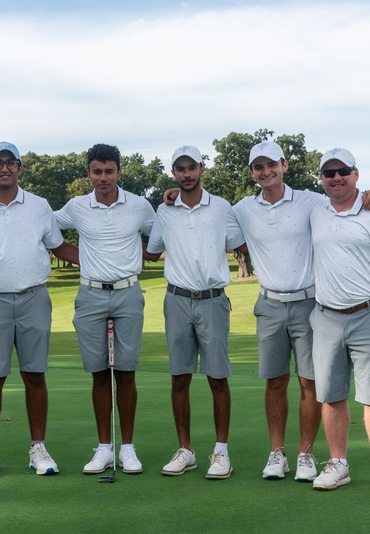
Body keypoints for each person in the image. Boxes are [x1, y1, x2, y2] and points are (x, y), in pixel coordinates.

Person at [233, 141, 370, 482]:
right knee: (274, 382)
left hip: (310, 303)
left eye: (271, 164)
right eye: (258, 167)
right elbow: (210, 216)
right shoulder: (242, 208)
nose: (266, 172)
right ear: (252, 172)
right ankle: (277, 453)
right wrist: (172, 194)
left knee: (310, 382)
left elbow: (345, 196)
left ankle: (305, 454)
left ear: (284, 165)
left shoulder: (312, 201)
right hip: (269, 304)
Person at [0, 142, 79, 479]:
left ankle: (38, 448)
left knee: (34, 374)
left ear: (20, 168)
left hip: (33, 298)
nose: (4, 168)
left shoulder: (39, 206)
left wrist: (107, 262)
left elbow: (59, 247)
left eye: (11, 162)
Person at [308, 147, 370, 499]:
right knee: (331, 396)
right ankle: (338, 464)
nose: (336, 178)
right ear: (321, 178)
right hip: (326, 316)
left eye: (343, 171)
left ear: (356, 174)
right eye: (329, 173)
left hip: (369, 313)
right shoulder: (315, 210)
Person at [54, 143, 155, 475]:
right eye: (97, 172)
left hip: (128, 293)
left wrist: (129, 253)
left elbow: (158, 241)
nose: (103, 178)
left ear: (119, 173)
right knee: (99, 372)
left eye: (109, 171)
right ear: (88, 174)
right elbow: (46, 230)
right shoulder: (76, 207)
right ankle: (104, 448)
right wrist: (83, 259)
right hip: (90, 294)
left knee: (126, 372)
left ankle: (127, 448)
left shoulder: (139, 205)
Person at [146, 145, 245, 479]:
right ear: (173, 173)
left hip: (213, 300)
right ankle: (185, 450)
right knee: (179, 378)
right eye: (180, 169)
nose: (186, 174)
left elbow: (240, 243)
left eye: (192, 168)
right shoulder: (165, 210)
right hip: (176, 300)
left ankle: (221, 452)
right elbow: (153, 252)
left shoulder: (222, 208)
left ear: (202, 169)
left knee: (217, 378)